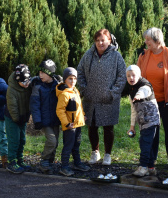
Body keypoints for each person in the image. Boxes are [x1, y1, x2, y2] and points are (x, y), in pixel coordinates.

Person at [137, 27, 168, 168]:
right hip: (149, 101)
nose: (146, 42)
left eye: (148, 39)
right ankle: (151, 159)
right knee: (151, 131)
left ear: (157, 40)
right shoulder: (143, 55)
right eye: (146, 39)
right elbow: (138, 76)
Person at [77, 29, 126, 166]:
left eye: (103, 40)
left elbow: (122, 76)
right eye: (98, 40)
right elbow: (79, 71)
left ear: (109, 41)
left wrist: (113, 93)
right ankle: (95, 152)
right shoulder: (88, 55)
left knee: (108, 128)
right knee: (92, 127)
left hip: (108, 100)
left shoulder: (116, 56)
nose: (100, 43)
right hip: (90, 99)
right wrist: (84, 89)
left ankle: (108, 155)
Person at [124, 65, 160, 177]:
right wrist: (132, 126)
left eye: (133, 75)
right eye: (128, 76)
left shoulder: (145, 85)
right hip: (142, 121)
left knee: (145, 142)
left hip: (151, 120)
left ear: (139, 75)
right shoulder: (131, 91)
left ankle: (143, 166)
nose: (131, 78)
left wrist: (139, 95)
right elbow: (133, 110)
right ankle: (151, 167)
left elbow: (144, 91)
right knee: (147, 143)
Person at [56, 67, 90, 176]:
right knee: (68, 146)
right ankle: (64, 166)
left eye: (75, 79)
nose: (73, 81)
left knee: (76, 145)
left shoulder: (75, 91)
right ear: (65, 80)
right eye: (70, 79)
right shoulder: (64, 94)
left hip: (77, 124)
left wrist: (83, 116)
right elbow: (60, 110)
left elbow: (79, 107)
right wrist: (66, 123)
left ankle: (77, 163)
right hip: (70, 126)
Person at [30, 60, 62, 174]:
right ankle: (44, 160)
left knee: (56, 142)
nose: (40, 75)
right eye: (39, 72)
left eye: (43, 73)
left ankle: (50, 162)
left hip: (55, 119)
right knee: (52, 140)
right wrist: (37, 120)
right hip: (44, 120)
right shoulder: (37, 86)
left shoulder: (57, 85)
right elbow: (34, 105)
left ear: (50, 73)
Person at [5, 64, 32, 174]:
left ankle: (20, 159)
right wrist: (17, 119)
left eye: (28, 81)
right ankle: (11, 161)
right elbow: (12, 107)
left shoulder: (27, 86)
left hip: (23, 116)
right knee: (14, 140)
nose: (26, 84)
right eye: (24, 82)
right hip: (13, 118)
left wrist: (26, 116)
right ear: (17, 80)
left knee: (22, 139)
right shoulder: (11, 90)